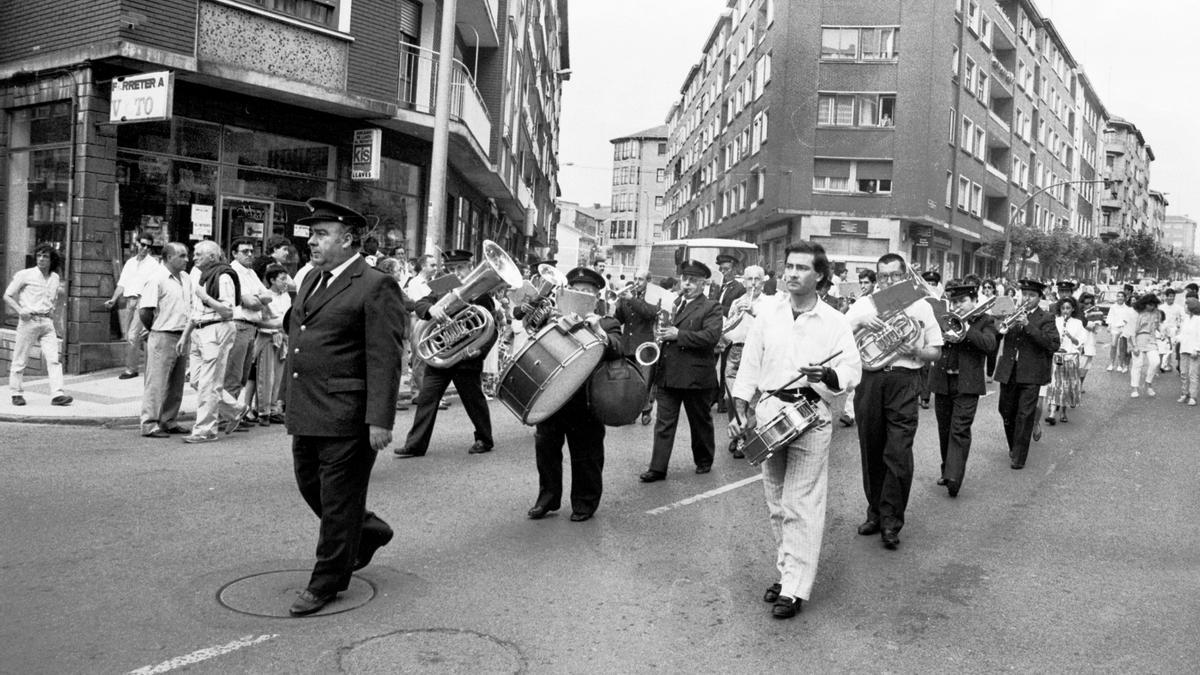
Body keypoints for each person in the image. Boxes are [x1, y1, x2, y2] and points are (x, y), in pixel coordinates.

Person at [284, 198, 405, 616]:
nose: (311, 242)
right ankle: (368, 530)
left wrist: (379, 420)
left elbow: (385, 357)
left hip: (347, 415)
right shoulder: (310, 280)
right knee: (310, 487)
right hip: (308, 409)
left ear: (348, 238)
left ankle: (327, 582)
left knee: (337, 502)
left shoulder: (375, 284)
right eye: (311, 235)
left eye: (321, 234)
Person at [729, 241, 860, 619]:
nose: (791, 273)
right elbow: (751, 363)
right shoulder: (769, 313)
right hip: (770, 408)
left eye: (802, 268)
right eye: (788, 266)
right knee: (776, 502)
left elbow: (853, 371)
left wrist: (829, 375)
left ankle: (795, 588)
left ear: (819, 276)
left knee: (801, 504)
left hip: (811, 412)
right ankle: (787, 572)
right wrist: (741, 406)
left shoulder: (835, 321)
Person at [845, 253, 943, 549]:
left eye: (894, 276)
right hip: (870, 380)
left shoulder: (921, 306)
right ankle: (875, 512)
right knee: (871, 449)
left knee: (898, 452)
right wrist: (861, 321)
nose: (888, 281)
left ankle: (891, 521)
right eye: (883, 276)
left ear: (905, 277)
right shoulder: (864, 305)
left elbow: (935, 351)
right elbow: (839, 339)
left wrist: (916, 350)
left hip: (904, 380)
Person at [527, 267, 625, 522]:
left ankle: (585, 502)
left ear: (595, 297)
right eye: (575, 291)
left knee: (587, 454)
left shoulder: (607, 322)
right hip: (552, 395)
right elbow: (528, 332)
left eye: (587, 292)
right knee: (546, 449)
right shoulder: (553, 317)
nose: (580, 295)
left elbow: (617, 348)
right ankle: (548, 498)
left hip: (587, 399)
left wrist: (599, 332)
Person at [394, 249, 496, 458]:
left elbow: (491, 328)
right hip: (440, 356)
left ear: (470, 267)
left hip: (466, 357)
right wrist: (431, 310)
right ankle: (415, 445)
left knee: (474, 401)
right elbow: (421, 303)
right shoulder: (442, 289)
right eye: (451, 269)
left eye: (460, 268)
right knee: (426, 398)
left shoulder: (482, 294)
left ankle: (484, 439)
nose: (456, 272)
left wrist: (479, 350)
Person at [639, 260, 724, 482]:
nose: (687, 284)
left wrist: (678, 335)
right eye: (685, 279)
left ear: (703, 284)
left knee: (700, 421)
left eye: (693, 281)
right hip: (668, 372)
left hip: (695, 376)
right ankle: (657, 468)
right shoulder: (672, 302)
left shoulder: (711, 307)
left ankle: (704, 460)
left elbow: (711, 337)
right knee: (664, 422)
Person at [928, 282, 997, 498]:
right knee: (944, 429)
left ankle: (954, 477)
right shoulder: (944, 319)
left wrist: (965, 330)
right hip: (942, 381)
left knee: (959, 430)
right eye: (955, 301)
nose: (958, 306)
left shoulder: (985, 320)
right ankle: (946, 469)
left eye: (963, 301)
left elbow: (989, 344)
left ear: (974, 301)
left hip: (967, 384)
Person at [181, 239, 246, 443]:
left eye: (198, 254)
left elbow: (227, 311)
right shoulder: (201, 275)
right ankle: (235, 409)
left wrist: (205, 296)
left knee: (209, 385)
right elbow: (196, 310)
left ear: (211, 256)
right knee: (197, 380)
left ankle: (205, 430)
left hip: (215, 329)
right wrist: (185, 335)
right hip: (200, 331)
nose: (194, 257)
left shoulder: (223, 276)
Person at [994, 279, 1060, 470]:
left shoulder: (1046, 317)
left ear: (1040, 298)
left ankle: (1019, 457)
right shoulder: (1011, 313)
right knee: (1005, 410)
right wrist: (999, 324)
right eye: (1025, 294)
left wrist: (1028, 325)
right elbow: (997, 334)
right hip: (1009, 370)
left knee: (1024, 414)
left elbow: (1053, 344)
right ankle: (1014, 446)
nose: (1027, 299)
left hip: (1031, 373)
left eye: (1032, 296)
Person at [137, 242, 194, 437]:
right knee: (157, 381)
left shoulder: (186, 278)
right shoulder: (157, 279)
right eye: (182, 256)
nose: (187, 260)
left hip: (182, 335)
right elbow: (145, 311)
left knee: (176, 382)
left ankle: (169, 419)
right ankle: (149, 422)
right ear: (169, 257)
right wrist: (154, 329)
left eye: (187, 255)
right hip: (163, 334)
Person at [5, 244, 72, 406]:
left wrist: (53, 316)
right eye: (39, 256)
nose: (41, 259)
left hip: (47, 322)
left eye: (46, 256)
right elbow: (7, 295)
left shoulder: (55, 278)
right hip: (29, 321)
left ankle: (57, 394)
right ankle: (16, 393)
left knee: (54, 359)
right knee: (20, 358)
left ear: (51, 260)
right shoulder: (25, 275)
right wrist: (20, 311)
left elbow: (55, 298)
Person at [720, 265, 770, 457]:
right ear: (744, 281)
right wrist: (731, 319)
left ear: (763, 282)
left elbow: (771, 329)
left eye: (757, 279)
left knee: (753, 400)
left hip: (758, 353)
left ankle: (747, 440)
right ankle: (738, 435)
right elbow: (729, 329)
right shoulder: (737, 301)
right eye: (750, 279)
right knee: (733, 398)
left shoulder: (769, 303)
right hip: (736, 351)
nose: (753, 284)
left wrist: (754, 312)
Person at [227, 238, 274, 425]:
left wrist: (258, 299)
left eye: (251, 251)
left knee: (243, 376)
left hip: (252, 328)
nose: (249, 255)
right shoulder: (233, 272)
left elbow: (268, 296)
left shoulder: (251, 272)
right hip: (239, 325)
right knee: (233, 374)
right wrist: (258, 299)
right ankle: (227, 417)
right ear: (234, 253)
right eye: (244, 251)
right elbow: (251, 302)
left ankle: (232, 414)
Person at [104, 233, 159, 379]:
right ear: (137, 244)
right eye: (143, 245)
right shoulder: (130, 263)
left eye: (149, 246)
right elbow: (122, 283)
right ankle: (149, 367)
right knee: (131, 336)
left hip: (143, 301)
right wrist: (114, 299)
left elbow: (154, 286)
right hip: (129, 301)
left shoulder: (153, 264)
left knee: (133, 335)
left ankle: (131, 369)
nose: (145, 248)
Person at [613, 269, 659, 425]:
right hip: (628, 345)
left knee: (644, 381)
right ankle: (632, 412)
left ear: (648, 281)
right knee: (629, 380)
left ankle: (646, 410)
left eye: (640, 279)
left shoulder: (652, 297)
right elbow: (618, 320)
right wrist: (616, 305)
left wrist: (631, 299)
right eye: (635, 278)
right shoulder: (628, 297)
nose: (637, 282)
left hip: (645, 346)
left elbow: (649, 313)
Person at [253, 264, 292, 425]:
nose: (285, 282)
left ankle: (274, 408)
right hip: (268, 337)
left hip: (283, 338)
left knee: (278, 377)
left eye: (286, 279)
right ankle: (263, 411)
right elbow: (261, 320)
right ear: (272, 280)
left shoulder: (286, 296)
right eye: (282, 279)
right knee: (266, 376)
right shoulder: (265, 296)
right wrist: (276, 327)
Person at [1045, 297, 1086, 425]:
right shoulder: (1056, 321)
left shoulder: (1077, 323)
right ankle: (1052, 413)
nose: (1065, 311)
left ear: (1073, 309)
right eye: (1063, 308)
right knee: (1055, 384)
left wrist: (1070, 336)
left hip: (1070, 356)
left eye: (1068, 308)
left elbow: (1079, 342)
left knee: (1066, 385)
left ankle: (1063, 411)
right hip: (1057, 356)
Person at [1129, 293, 1162, 398]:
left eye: (1154, 305)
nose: (1152, 307)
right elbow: (1131, 331)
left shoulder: (1157, 313)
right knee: (1137, 365)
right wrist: (1134, 346)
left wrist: (1163, 333)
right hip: (1138, 339)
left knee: (1155, 361)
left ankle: (1148, 383)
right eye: (1150, 304)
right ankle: (1134, 388)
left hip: (1151, 340)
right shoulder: (1136, 313)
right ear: (1145, 304)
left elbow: (1158, 326)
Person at [1176, 297, 1200, 406]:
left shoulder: (1198, 320)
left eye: (1186, 305)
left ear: (1191, 306)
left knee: (1193, 374)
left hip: (1194, 351)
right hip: (1184, 349)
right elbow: (1182, 334)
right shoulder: (1185, 319)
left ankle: (1193, 396)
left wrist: (1197, 349)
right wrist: (1175, 338)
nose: (1184, 307)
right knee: (1183, 373)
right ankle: (1184, 394)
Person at [1106, 290, 1136, 373]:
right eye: (1118, 296)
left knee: (1122, 347)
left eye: (1122, 296)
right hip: (1114, 328)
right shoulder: (1113, 307)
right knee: (1113, 345)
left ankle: (1120, 364)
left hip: (1124, 329)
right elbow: (1110, 317)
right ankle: (1111, 363)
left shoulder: (1127, 308)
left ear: (1125, 298)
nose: (1120, 298)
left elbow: (1129, 319)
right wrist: (1109, 326)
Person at [1160, 288, 1185, 373]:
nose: (1171, 298)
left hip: (1173, 330)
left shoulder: (1178, 307)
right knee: (1163, 347)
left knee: (1170, 348)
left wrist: (1179, 326)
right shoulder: (1161, 307)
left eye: (1173, 296)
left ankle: (1167, 364)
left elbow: (1183, 318)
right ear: (1166, 297)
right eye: (1170, 296)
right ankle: (1163, 364)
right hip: (1163, 329)